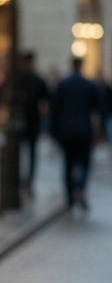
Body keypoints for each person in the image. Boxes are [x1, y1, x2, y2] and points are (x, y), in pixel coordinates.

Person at [49, 55, 102, 210]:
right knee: (84, 162)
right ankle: (80, 187)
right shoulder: (89, 85)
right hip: (84, 130)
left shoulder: (62, 85)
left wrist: (53, 132)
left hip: (66, 130)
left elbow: (55, 110)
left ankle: (70, 195)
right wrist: (98, 133)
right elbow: (96, 111)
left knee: (68, 163)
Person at [15, 50, 49, 194]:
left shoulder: (18, 78)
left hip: (21, 120)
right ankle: (28, 180)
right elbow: (45, 103)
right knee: (30, 153)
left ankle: (23, 179)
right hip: (32, 120)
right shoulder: (37, 78)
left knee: (21, 152)